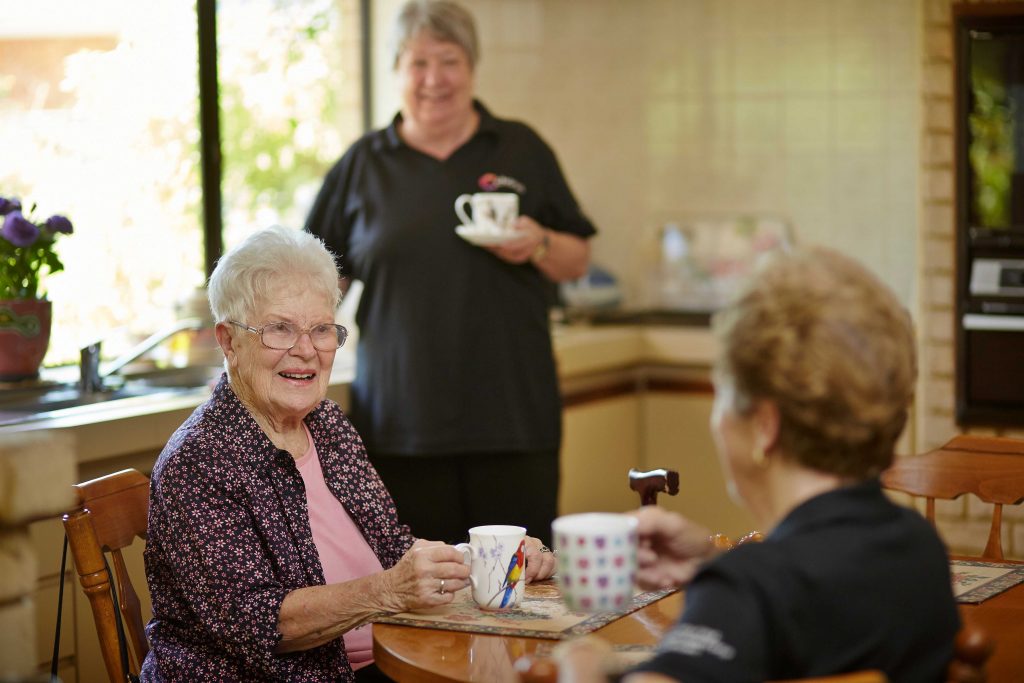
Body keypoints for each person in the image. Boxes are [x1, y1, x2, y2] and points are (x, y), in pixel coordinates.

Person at [141, 226, 556, 682]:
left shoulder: (328, 425)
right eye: (279, 329)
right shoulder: (199, 462)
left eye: (321, 330)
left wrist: (492, 560)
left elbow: (393, 550)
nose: (305, 351)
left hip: (389, 658)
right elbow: (263, 625)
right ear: (228, 341)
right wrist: (389, 592)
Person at [556, 247, 960, 682]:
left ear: (765, 426)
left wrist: (582, 664)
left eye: (722, 395)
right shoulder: (922, 549)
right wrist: (714, 565)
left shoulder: (748, 591)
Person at [304, 0, 596, 547]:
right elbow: (319, 287)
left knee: (519, 593)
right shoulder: (363, 165)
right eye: (418, 63)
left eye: (450, 60)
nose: (434, 79)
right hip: (399, 425)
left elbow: (577, 258)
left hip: (513, 420)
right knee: (418, 599)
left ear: (472, 67)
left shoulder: (521, 148)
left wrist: (538, 243)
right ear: (396, 71)